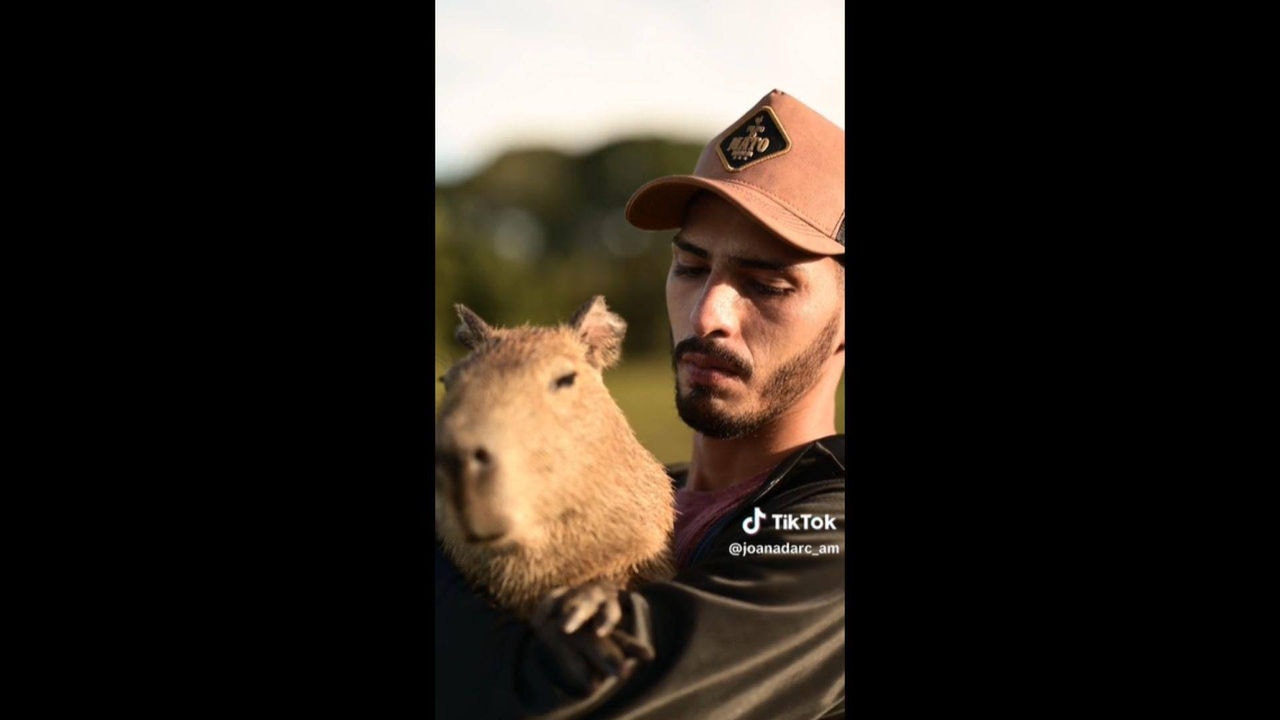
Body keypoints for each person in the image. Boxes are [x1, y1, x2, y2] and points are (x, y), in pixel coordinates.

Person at [435, 88, 846, 720]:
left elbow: (575, 701)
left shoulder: (826, 532)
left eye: (767, 284)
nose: (708, 312)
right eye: (689, 267)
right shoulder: (645, 498)